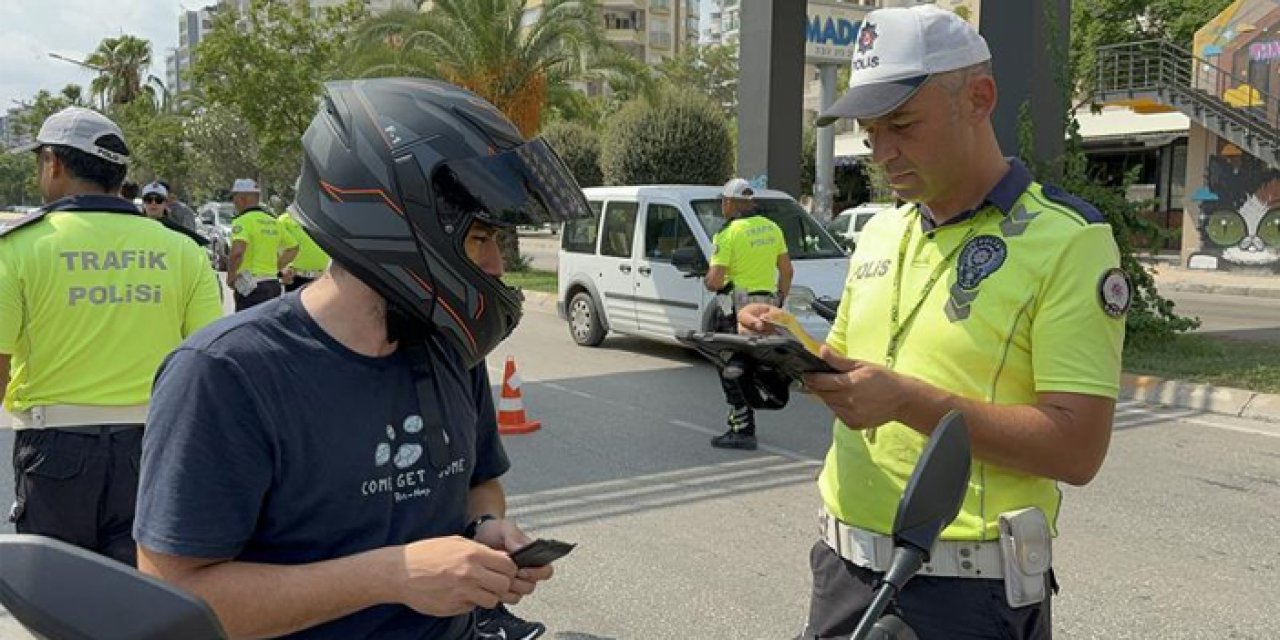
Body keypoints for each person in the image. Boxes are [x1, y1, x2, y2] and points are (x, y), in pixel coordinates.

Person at [133, 77, 592, 639]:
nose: (496, 265)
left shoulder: (449, 351)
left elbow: (479, 483)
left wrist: (485, 530)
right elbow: (175, 598)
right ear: (398, 221)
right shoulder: (226, 375)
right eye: (478, 240)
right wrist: (389, 576)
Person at [741, 7, 1128, 639]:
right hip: (843, 571)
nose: (881, 151)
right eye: (870, 130)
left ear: (978, 98)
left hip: (966, 595)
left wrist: (905, 402)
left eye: (902, 124)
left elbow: (1077, 449)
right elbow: (853, 365)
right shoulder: (880, 230)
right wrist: (792, 344)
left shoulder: (1069, 241)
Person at [0, 106, 222, 566]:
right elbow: (209, 364)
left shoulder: (18, 249)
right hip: (154, 447)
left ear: (55, 164)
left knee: (60, 602)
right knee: (141, 600)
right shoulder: (182, 250)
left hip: (53, 452)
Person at [704, 177, 792, 450]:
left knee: (730, 367)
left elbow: (716, 280)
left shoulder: (729, 234)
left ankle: (741, 429)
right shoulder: (772, 228)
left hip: (735, 312)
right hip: (765, 310)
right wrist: (778, 298)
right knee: (754, 363)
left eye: (723, 201)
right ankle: (750, 416)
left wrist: (707, 281)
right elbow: (787, 271)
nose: (722, 205)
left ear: (730, 203)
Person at [226, 178, 297, 311]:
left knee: (247, 328)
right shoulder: (273, 221)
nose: (233, 203)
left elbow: (237, 253)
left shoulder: (243, 221)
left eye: (233, 198)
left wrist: (230, 276)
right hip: (273, 284)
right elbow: (293, 248)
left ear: (242, 198)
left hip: (251, 285)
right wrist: (276, 267)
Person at [277, 203, 331, 292]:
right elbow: (274, 249)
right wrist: (282, 271)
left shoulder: (324, 219)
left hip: (323, 277)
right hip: (295, 278)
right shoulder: (284, 220)